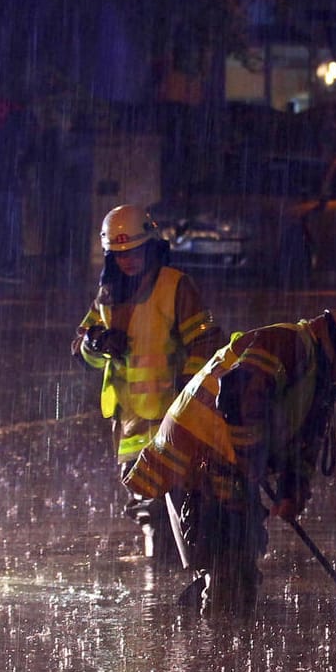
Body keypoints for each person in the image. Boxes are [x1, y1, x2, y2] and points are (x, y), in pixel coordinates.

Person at [122, 302, 336, 611]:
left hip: (227, 463)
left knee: (236, 555)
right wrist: (251, 457)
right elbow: (238, 394)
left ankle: (211, 624)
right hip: (198, 458)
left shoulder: (317, 374)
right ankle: (212, 633)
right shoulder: (285, 345)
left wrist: (292, 492)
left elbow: (305, 440)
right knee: (228, 555)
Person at [75, 205, 226, 564]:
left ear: (152, 247)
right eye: (120, 254)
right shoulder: (107, 296)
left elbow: (205, 344)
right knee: (147, 509)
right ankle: (164, 578)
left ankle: (186, 581)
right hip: (130, 427)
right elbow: (82, 351)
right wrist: (95, 343)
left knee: (182, 507)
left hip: (173, 423)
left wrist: (187, 393)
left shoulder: (175, 286)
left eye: (135, 252)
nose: (127, 261)